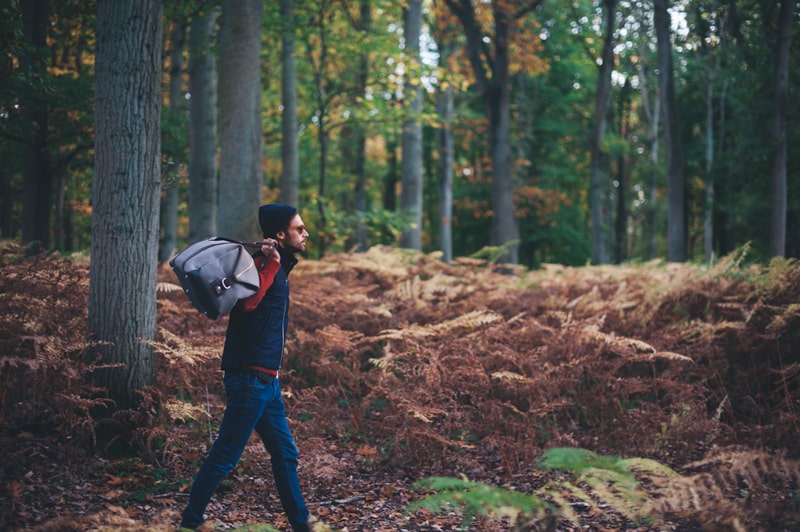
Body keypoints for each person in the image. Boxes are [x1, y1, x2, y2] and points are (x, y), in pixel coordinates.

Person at [180, 204, 311, 532]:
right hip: (250, 379)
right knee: (225, 456)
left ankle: (302, 525)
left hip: (267, 382)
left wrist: (276, 260)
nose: (305, 233)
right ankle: (189, 523)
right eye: (299, 228)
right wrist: (271, 261)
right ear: (281, 234)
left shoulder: (274, 263)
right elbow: (250, 303)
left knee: (285, 454)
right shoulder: (262, 264)